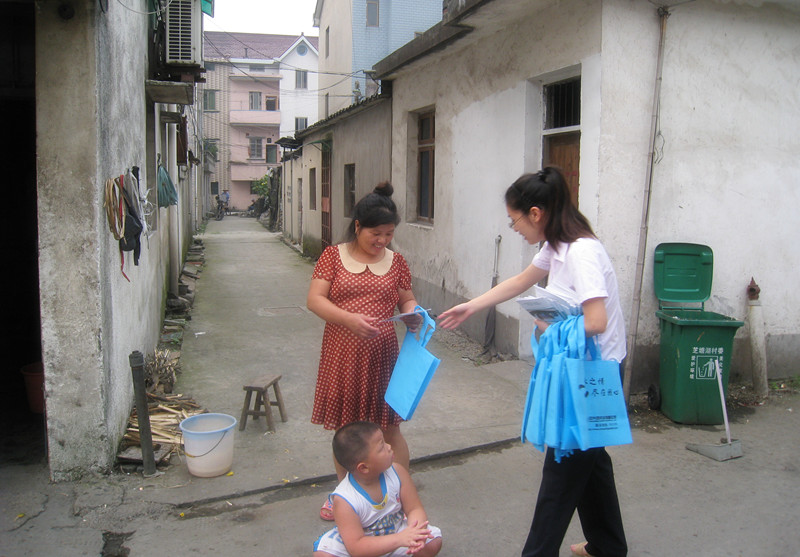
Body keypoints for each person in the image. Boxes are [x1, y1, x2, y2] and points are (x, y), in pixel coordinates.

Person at [438, 167, 628, 557]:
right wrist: (471, 306)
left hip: (592, 373)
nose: (515, 229)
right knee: (589, 462)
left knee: (562, 469)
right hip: (575, 368)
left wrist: (551, 327)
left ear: (536, 213)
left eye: (515, 221)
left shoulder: (582, 252)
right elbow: (520, 281)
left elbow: (596, 321)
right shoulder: (556, 246)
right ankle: (608, 545)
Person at [307, 182, 422, 521]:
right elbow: (315, 300)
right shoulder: (333, 256)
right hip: (342, 355)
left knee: (389, 429)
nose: (382, 240)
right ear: (357, 226)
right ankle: (346, 497)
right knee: (348, 432)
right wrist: (349, 319)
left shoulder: (396, 262)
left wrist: (413, 314)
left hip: (383, 356)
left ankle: (401, 494)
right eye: (376, 233)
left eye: (389, 234)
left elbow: (407, 299)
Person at [313, 421, 443, 557]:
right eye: (382, 447)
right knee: (323, 555)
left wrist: (416, 532)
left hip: (395, 531)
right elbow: (356, 547)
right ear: (364, 467)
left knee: (433, 541)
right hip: (362, 545)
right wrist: (399, 539)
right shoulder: (345, 500)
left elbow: (414, 509)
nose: (389, 447)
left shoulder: (397, 472)